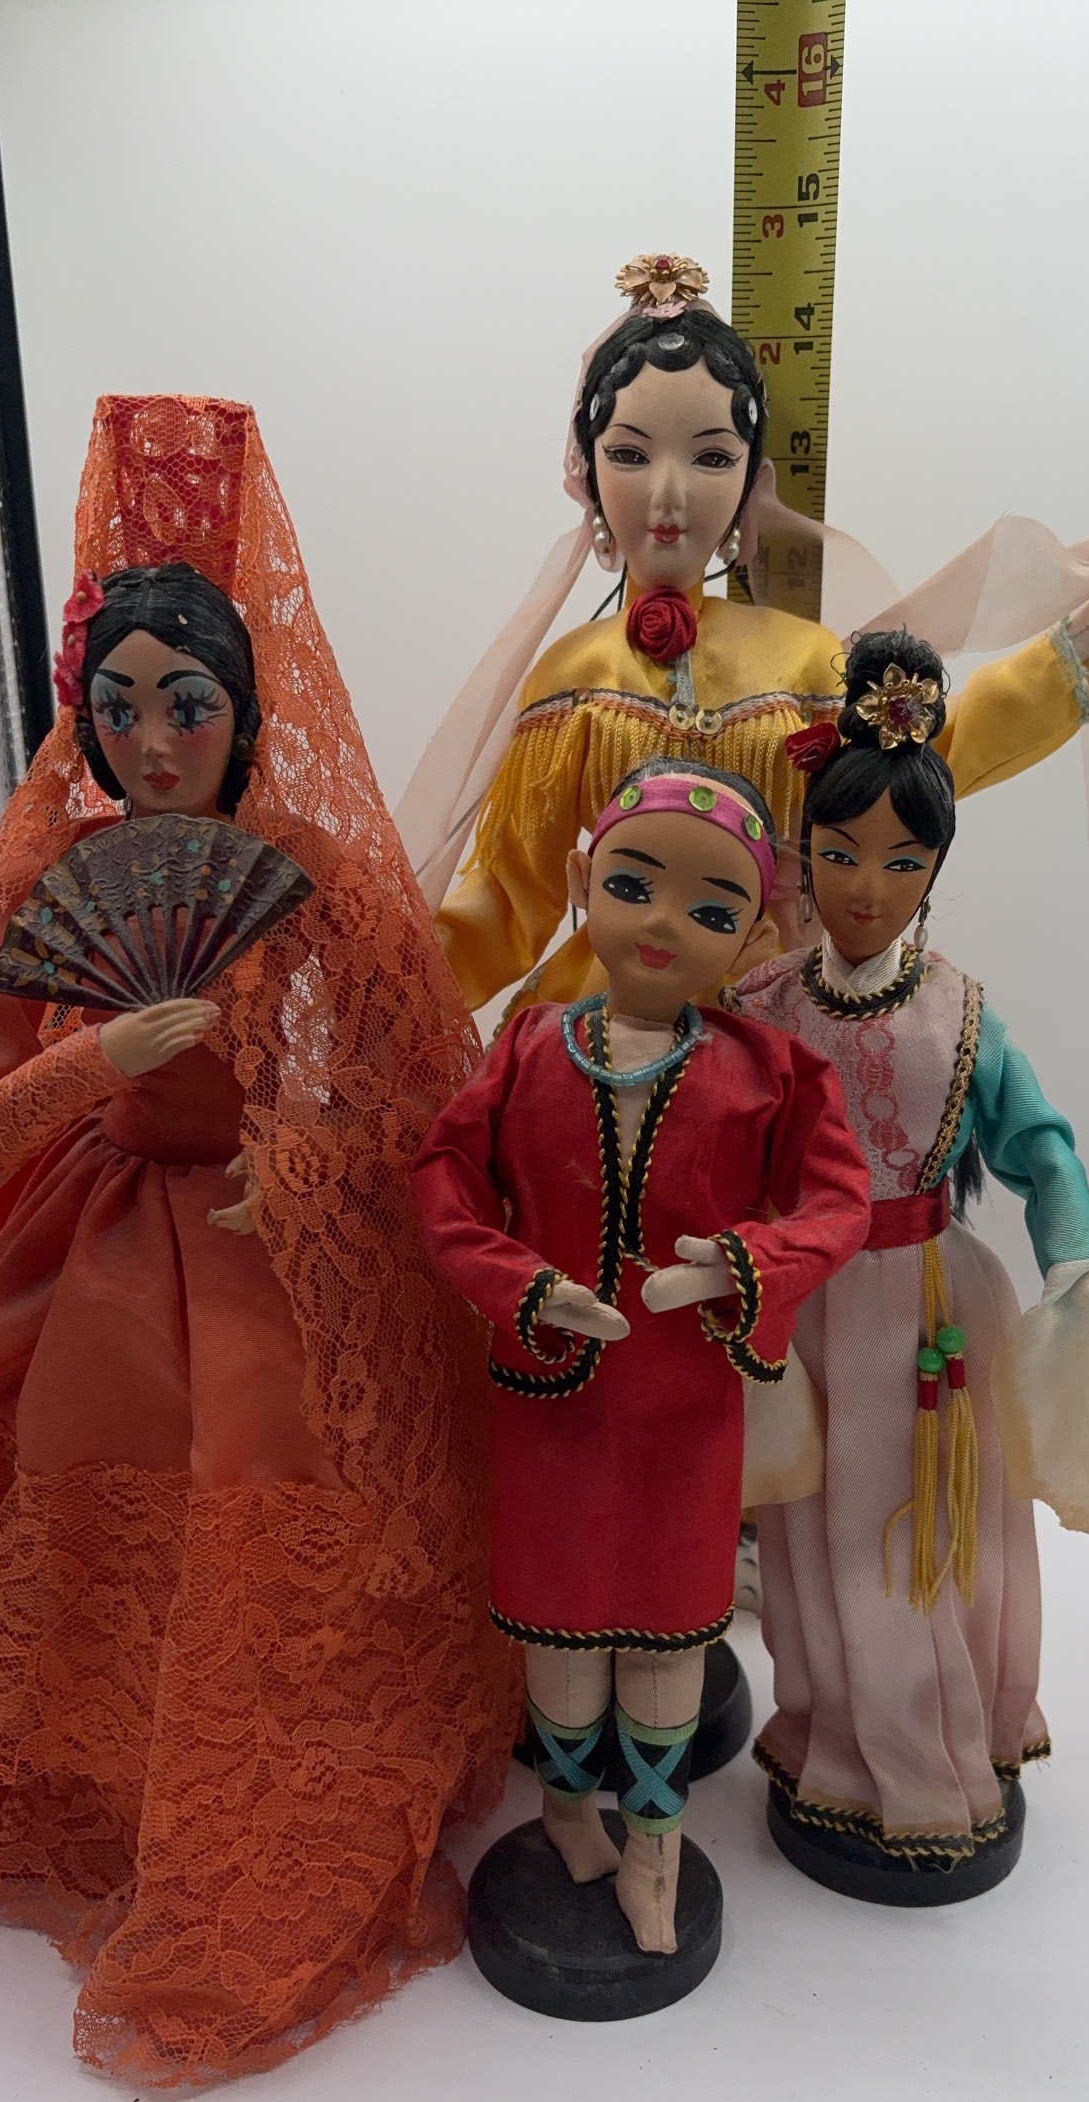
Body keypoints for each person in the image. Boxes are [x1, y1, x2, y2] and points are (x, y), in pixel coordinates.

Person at [0, 394, 516, 2085]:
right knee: (37, 1464)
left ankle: (222, 1802)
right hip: (78, 1249)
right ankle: (84, 1778)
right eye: (117, 708)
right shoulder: (47, 876)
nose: (154, 740)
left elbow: (428, 1107)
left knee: (265, 1481)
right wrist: (81, 1070)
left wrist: (305, 1171)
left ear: (250, 711)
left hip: (257, 1245)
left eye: (189, 703)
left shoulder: (313, 877)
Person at [395, 254, 1089, 1014]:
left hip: (776, 1011)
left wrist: (1065, 648)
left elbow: (920, 756)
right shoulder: (570, 678)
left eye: (711, 458)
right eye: (630, 454)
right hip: (604, 1015)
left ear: (751, 480)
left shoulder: (803, 659)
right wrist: (379, 964)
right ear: (589, 473)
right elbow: (508, 898)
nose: (668, 495)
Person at [727, 628, 1089, 1882]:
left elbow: (1035, 1142)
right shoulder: (761, 1006)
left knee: (926, 1538)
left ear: (934, 865)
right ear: (801, 853)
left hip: (927, 1308)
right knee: (810, 1539)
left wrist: (1072, 1249)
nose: (864, 888)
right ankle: (830, 1741)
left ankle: (936, 1755)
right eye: (836, 854)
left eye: (900, 861)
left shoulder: (959, 1014)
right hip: (805, 1308)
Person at [410, 758, 871, 1952]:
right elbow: (444, 1177)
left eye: (711, 908)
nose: (663, 923)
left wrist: (745, 1264)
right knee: (560, 1634)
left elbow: (838, 1202)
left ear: (756, 932)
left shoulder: (771, 1072)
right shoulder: (524, 1047)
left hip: (683, 1402)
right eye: (631, 884)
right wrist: (520, 1284)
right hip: (549, 1400)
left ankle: (656, 1844)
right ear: (580, 883)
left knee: (669, 1632)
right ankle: (568, 1811)